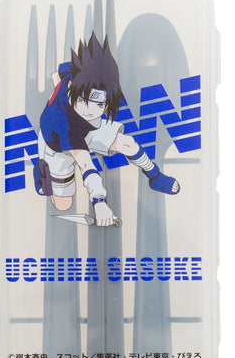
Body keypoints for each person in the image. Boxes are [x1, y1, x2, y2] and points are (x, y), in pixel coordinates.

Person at [34, 33, 179, 226]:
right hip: (55, 145)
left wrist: (57, 93)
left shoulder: (73, 73)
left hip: (87, 128)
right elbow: (87, 166)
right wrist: (100, 202)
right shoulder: (65, 125)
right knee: (63, 205)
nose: (91, 110)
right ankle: (43, 175)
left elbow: (58, 74)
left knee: (128, 143)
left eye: (100, 105)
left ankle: (155, 176)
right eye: (83, 101)